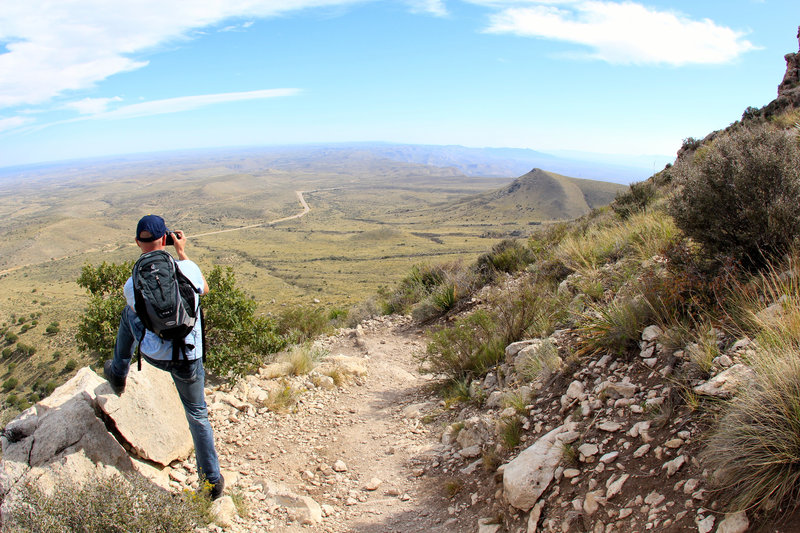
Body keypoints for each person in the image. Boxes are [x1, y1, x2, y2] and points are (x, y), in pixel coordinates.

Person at [103, 214, 224, 500]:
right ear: (165, 239)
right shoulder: (187, 268)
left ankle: (118, 372)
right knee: (197, 414)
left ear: (137, 243)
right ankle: (212, 483)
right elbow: (204, 290)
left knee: (128, 315)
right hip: (189, 358)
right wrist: (182, 252)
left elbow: (142, 314)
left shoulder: (131, 285)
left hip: (155, 354)